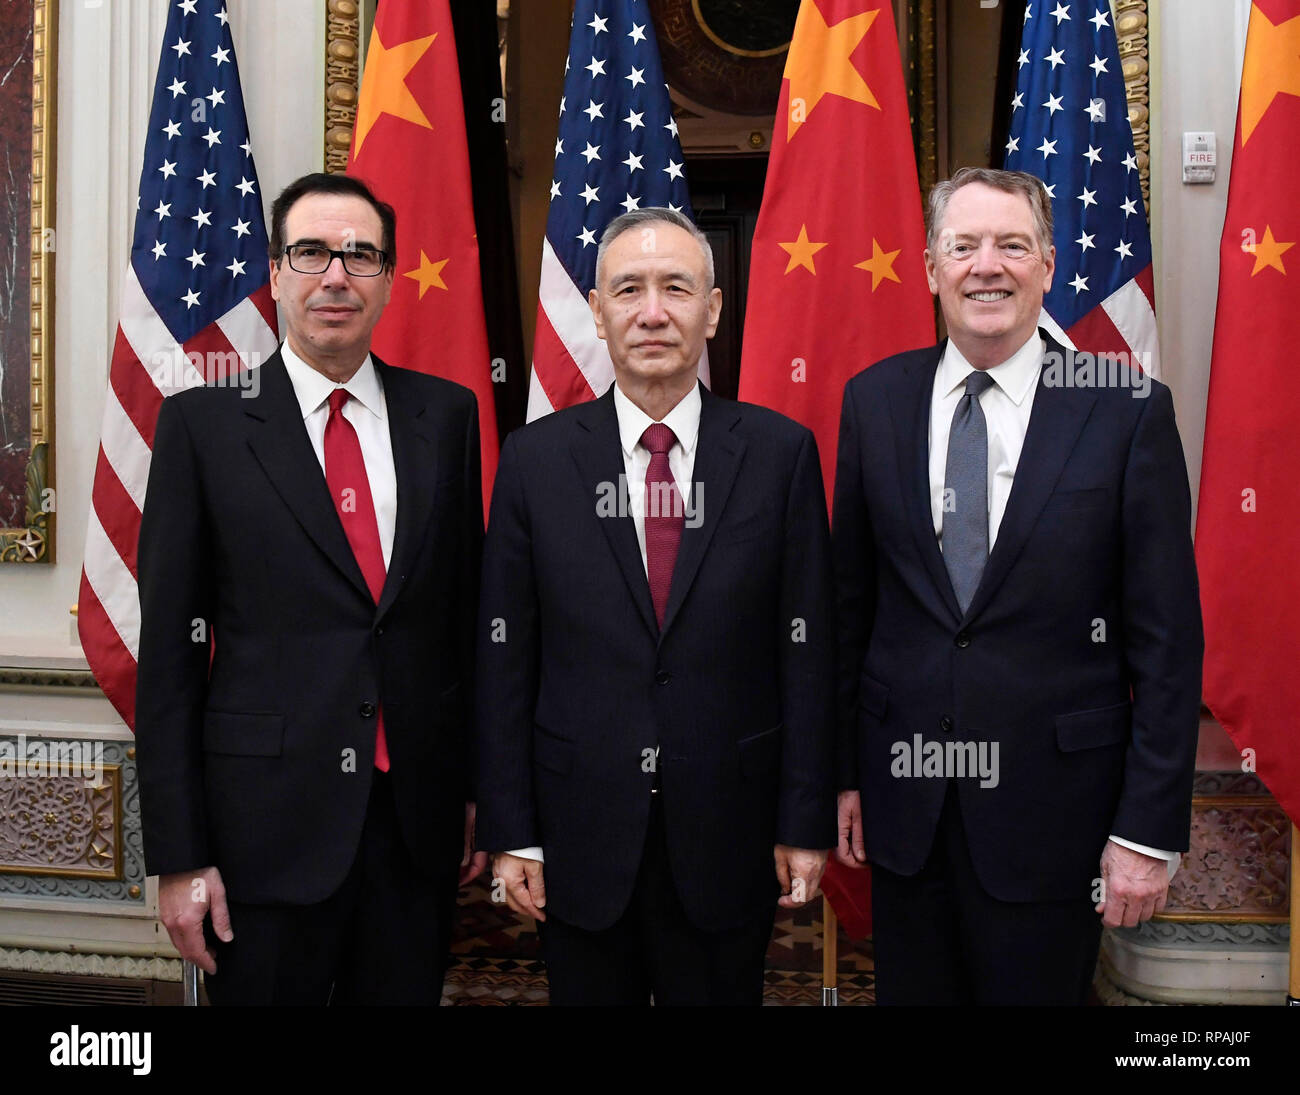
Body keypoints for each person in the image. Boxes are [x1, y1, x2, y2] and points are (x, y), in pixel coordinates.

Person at [832, 167, 1203, 1005]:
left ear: (1048, 264)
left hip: (1057, 818)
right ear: (931, 267)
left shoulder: (1126, 409)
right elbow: (849, 609)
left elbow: (1169, 641)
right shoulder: (875, 401)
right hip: (906, 811)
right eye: (963, 246)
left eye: (1011, 245)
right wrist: (845, 776)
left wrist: (1146, 829)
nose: (985, 265)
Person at [135, 172, 486, 1005]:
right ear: (277, 270)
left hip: (413, 829)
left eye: (360, 255)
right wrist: (178, 856)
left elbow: (465, 623)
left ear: (390, 278)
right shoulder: (204, 426)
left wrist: (477, 791)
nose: (336, 275)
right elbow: (169, 663)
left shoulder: (448, 416)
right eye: (312, 252)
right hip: (262, 832)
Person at [475, 208, 836, 1005]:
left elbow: (806, 657)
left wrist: (803, 821)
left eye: (676, 287)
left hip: (731, 836)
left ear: (712, 309)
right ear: (596, 313)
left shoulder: (780, 456)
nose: (652, 310)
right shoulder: (535, 461)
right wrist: (513, 831)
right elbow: (504, 662)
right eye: (628, 289)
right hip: (576, 836)